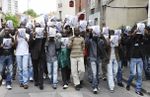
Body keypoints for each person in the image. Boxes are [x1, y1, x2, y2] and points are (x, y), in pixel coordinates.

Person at [126, 23, 145, 96]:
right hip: (133, 58)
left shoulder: (142, 37)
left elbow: (147, 40)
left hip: (140, 58)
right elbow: (127, 42)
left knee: (139, 74)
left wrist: (143, 32)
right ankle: (128, 83)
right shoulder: (132, 38)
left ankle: (138, 89)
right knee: (133, 73)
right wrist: (133, 34)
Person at [29, 23, 46, 90]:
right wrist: (34, 37)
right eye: (36, 27)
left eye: (39, 27)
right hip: (34, 54)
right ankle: (36, 81)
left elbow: (44, 43)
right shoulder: (32, 34)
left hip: (41, 54)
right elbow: (30, 44)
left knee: (41, 69)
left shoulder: (42, 35)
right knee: (35, 68)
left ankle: (41, 84)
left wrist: (44, 35)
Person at [15, 23, 30, 89]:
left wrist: (24, 37)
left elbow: (29, 42)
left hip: (25, 53)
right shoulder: (17, 35)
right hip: (18, 53)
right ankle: (21, 81)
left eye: (23, 28)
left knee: (25, 68)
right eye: (20, 28)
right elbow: (15, 45)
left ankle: (25, 82)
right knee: (20, 68)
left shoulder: (27, 35)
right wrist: (16, 35)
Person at [45, 25, 60, 89]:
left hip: (55, 58)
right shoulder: (47, 42)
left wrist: (56, 39)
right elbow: (45, 49)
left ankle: (54, 83)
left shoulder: (55, 41)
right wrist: (48, 39)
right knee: (49, 72)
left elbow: (58, 47)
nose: (51, 38)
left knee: (55, 71)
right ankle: (52, 80)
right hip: (48, 58)